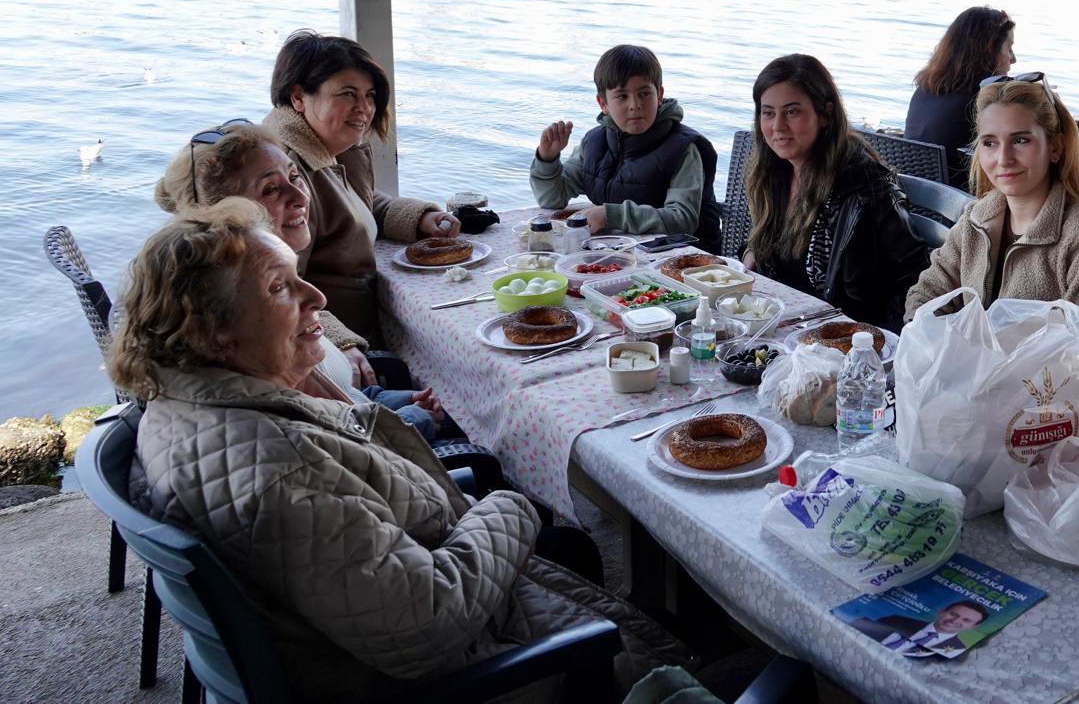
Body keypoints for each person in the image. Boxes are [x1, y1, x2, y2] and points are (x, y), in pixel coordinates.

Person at [112, 201, 688, 696]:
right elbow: (428, 620)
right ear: (209, 330)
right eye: (279, 287)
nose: (315, 296)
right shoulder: (273, 469)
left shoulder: (187, 409)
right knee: (690, 646)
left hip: (402, 620)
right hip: (481, 672)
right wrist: (510, 507)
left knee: (583, 558)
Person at [153, 120, 448, 442]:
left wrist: (396, 401)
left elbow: (342, 401)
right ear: (219, 214)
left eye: (295, 177)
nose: (300, 195)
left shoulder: (258, 292)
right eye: (270, 189)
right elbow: (346, 445)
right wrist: (415, 418)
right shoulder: (249, 326)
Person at [905, 76, 1079, 391]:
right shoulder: (976, 219)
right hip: (965, 395)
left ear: (1055, 147)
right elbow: (925, 296)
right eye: (990, 143)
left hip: (1048, 421)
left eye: (1021, 140)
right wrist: (941, 351)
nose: (1003, 158)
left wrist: (976, 372)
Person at [265, 30, 456, 343]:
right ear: (298, 97)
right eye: (347, 94)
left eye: (369, 96)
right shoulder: (285, 177)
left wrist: (418, 218)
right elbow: (277, 287)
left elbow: (352, 205)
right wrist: (341, 344)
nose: (365, 108)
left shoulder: (328, 148)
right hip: (328, 346)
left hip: (364, 326)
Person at [744, 53, 928, 332]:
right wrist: (750, 255)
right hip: (780, 325)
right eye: (768, 112)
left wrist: (870, 342)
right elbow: (772, 259)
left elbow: (915, 280)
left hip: (843, 337)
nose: (778, 126)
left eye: (792, 111)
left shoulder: (866, 187)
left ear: (826, 114)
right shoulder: (773, 174)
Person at [906, 6, 1079, 179]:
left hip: (926, 206)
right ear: (987, 51)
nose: (1013, 59)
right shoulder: (982, 102)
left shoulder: (926, 90)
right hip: (971, 208)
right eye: (1008, 48)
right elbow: (1057, 133)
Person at [531, 44, 722, 250]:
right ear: (602, 103)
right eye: (622, 96)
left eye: (644, 94)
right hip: (617, 251)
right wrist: (547, 160)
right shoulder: (594, 142)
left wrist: (609, 215)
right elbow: (552, 200)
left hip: (685, 260)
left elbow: (683, 219)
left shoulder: (683, 148)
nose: (635, 105)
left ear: (660, 95)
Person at [848, 600, 986, 657]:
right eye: (953, 614)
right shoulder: (897, 619)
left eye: (966, 620)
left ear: (974, 627)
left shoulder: (957, 650)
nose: (955, 620)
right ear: (942, 611)